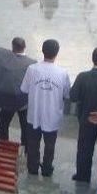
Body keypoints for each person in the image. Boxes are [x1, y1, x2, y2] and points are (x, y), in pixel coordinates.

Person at [20, 39, 71, 176]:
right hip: (52, 115)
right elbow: (67, 94)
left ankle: (32, 168)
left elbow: (24, 89)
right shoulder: (63, 72)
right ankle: (47, 169)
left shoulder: (32, 69)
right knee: (50, 145)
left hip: (34, 114)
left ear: (42, 51)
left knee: (33, 144)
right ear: (57, 53)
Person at [70, 47, 97, 184]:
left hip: (86, 118)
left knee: (84, 148)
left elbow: (73, 96)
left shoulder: (83, 76)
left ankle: (82, 176)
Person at [0, 37, 29, 147]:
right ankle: (24, 149)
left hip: (8, 98)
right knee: (25, 127)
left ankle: (3, 145)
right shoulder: (32, 64)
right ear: (24, 47)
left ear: (12, 47)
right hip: (25, 100)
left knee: (4, 124)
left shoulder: (6, 61)